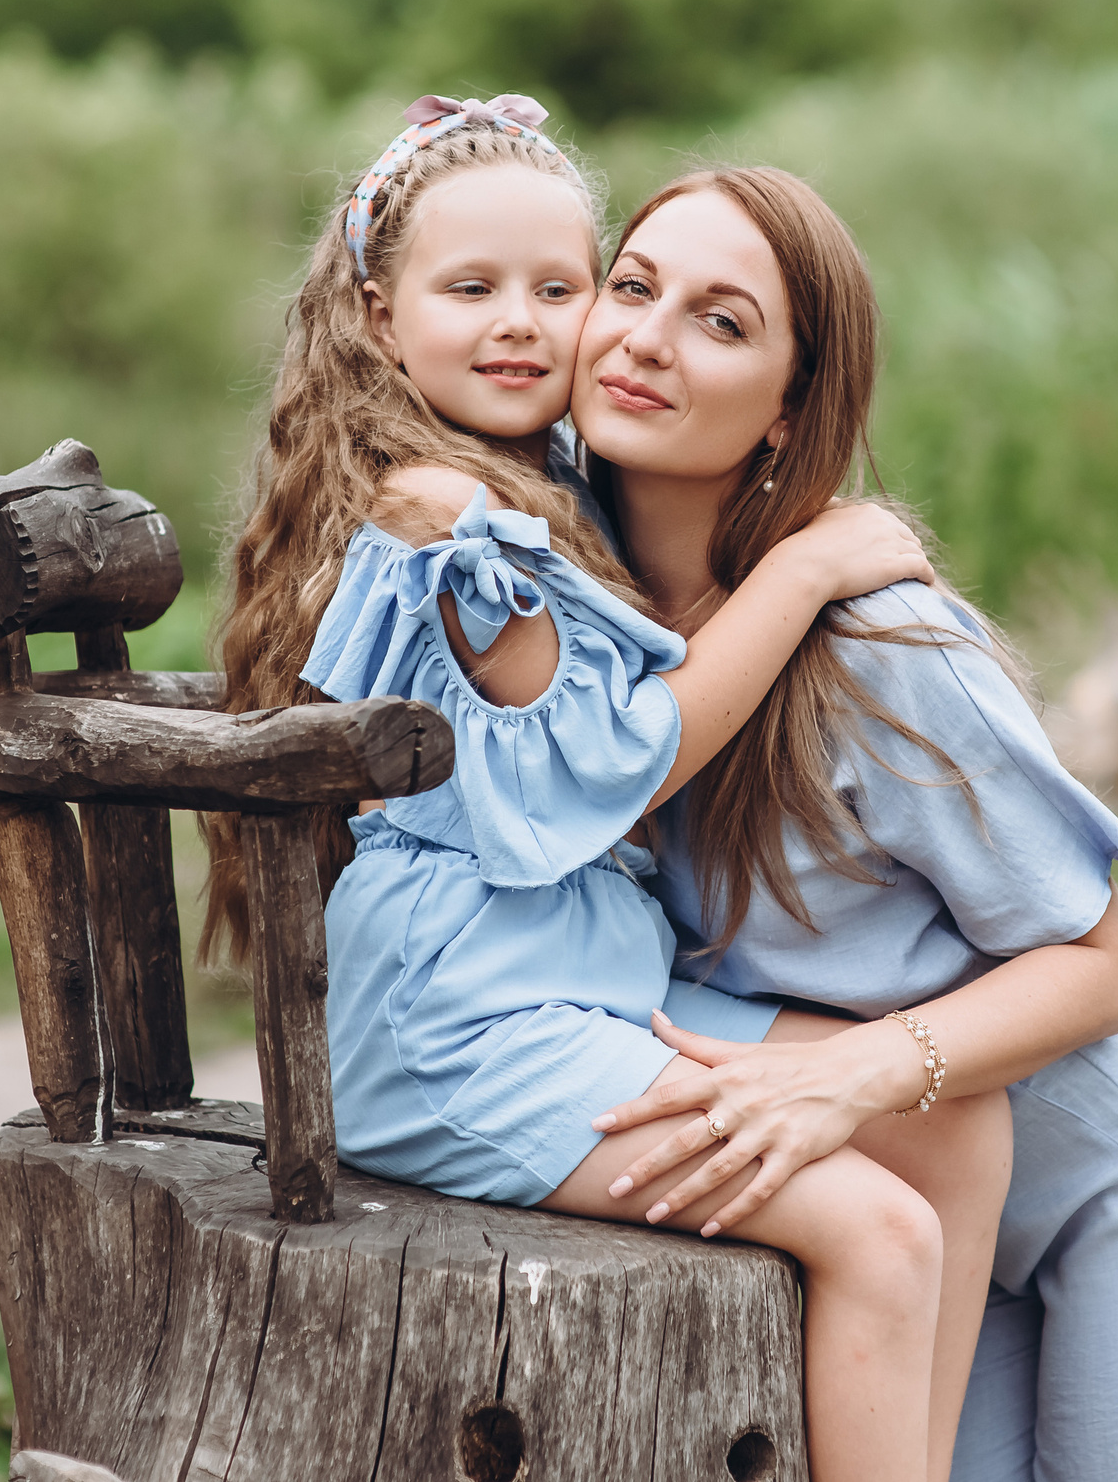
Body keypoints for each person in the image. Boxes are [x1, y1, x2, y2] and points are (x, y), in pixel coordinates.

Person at [200, 97, 1010, 1482]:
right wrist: (806, 569)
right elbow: (613, 759)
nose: (523, 321)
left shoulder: (524, 490)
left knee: (950, 1120)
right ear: (381, 319)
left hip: (541, 994)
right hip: (464, 1035)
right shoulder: (450, 518)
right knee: (881, 1233)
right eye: (473, 289)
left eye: (560, 287)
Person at [572, 166, 1118, 1482]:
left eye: (720, 320)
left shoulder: (880, 651)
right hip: (916, 1184)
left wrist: (857, 1073)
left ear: (791, 416)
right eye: (633, 286)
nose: (645, 335)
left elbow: (1105, 963)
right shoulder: (558, 619)